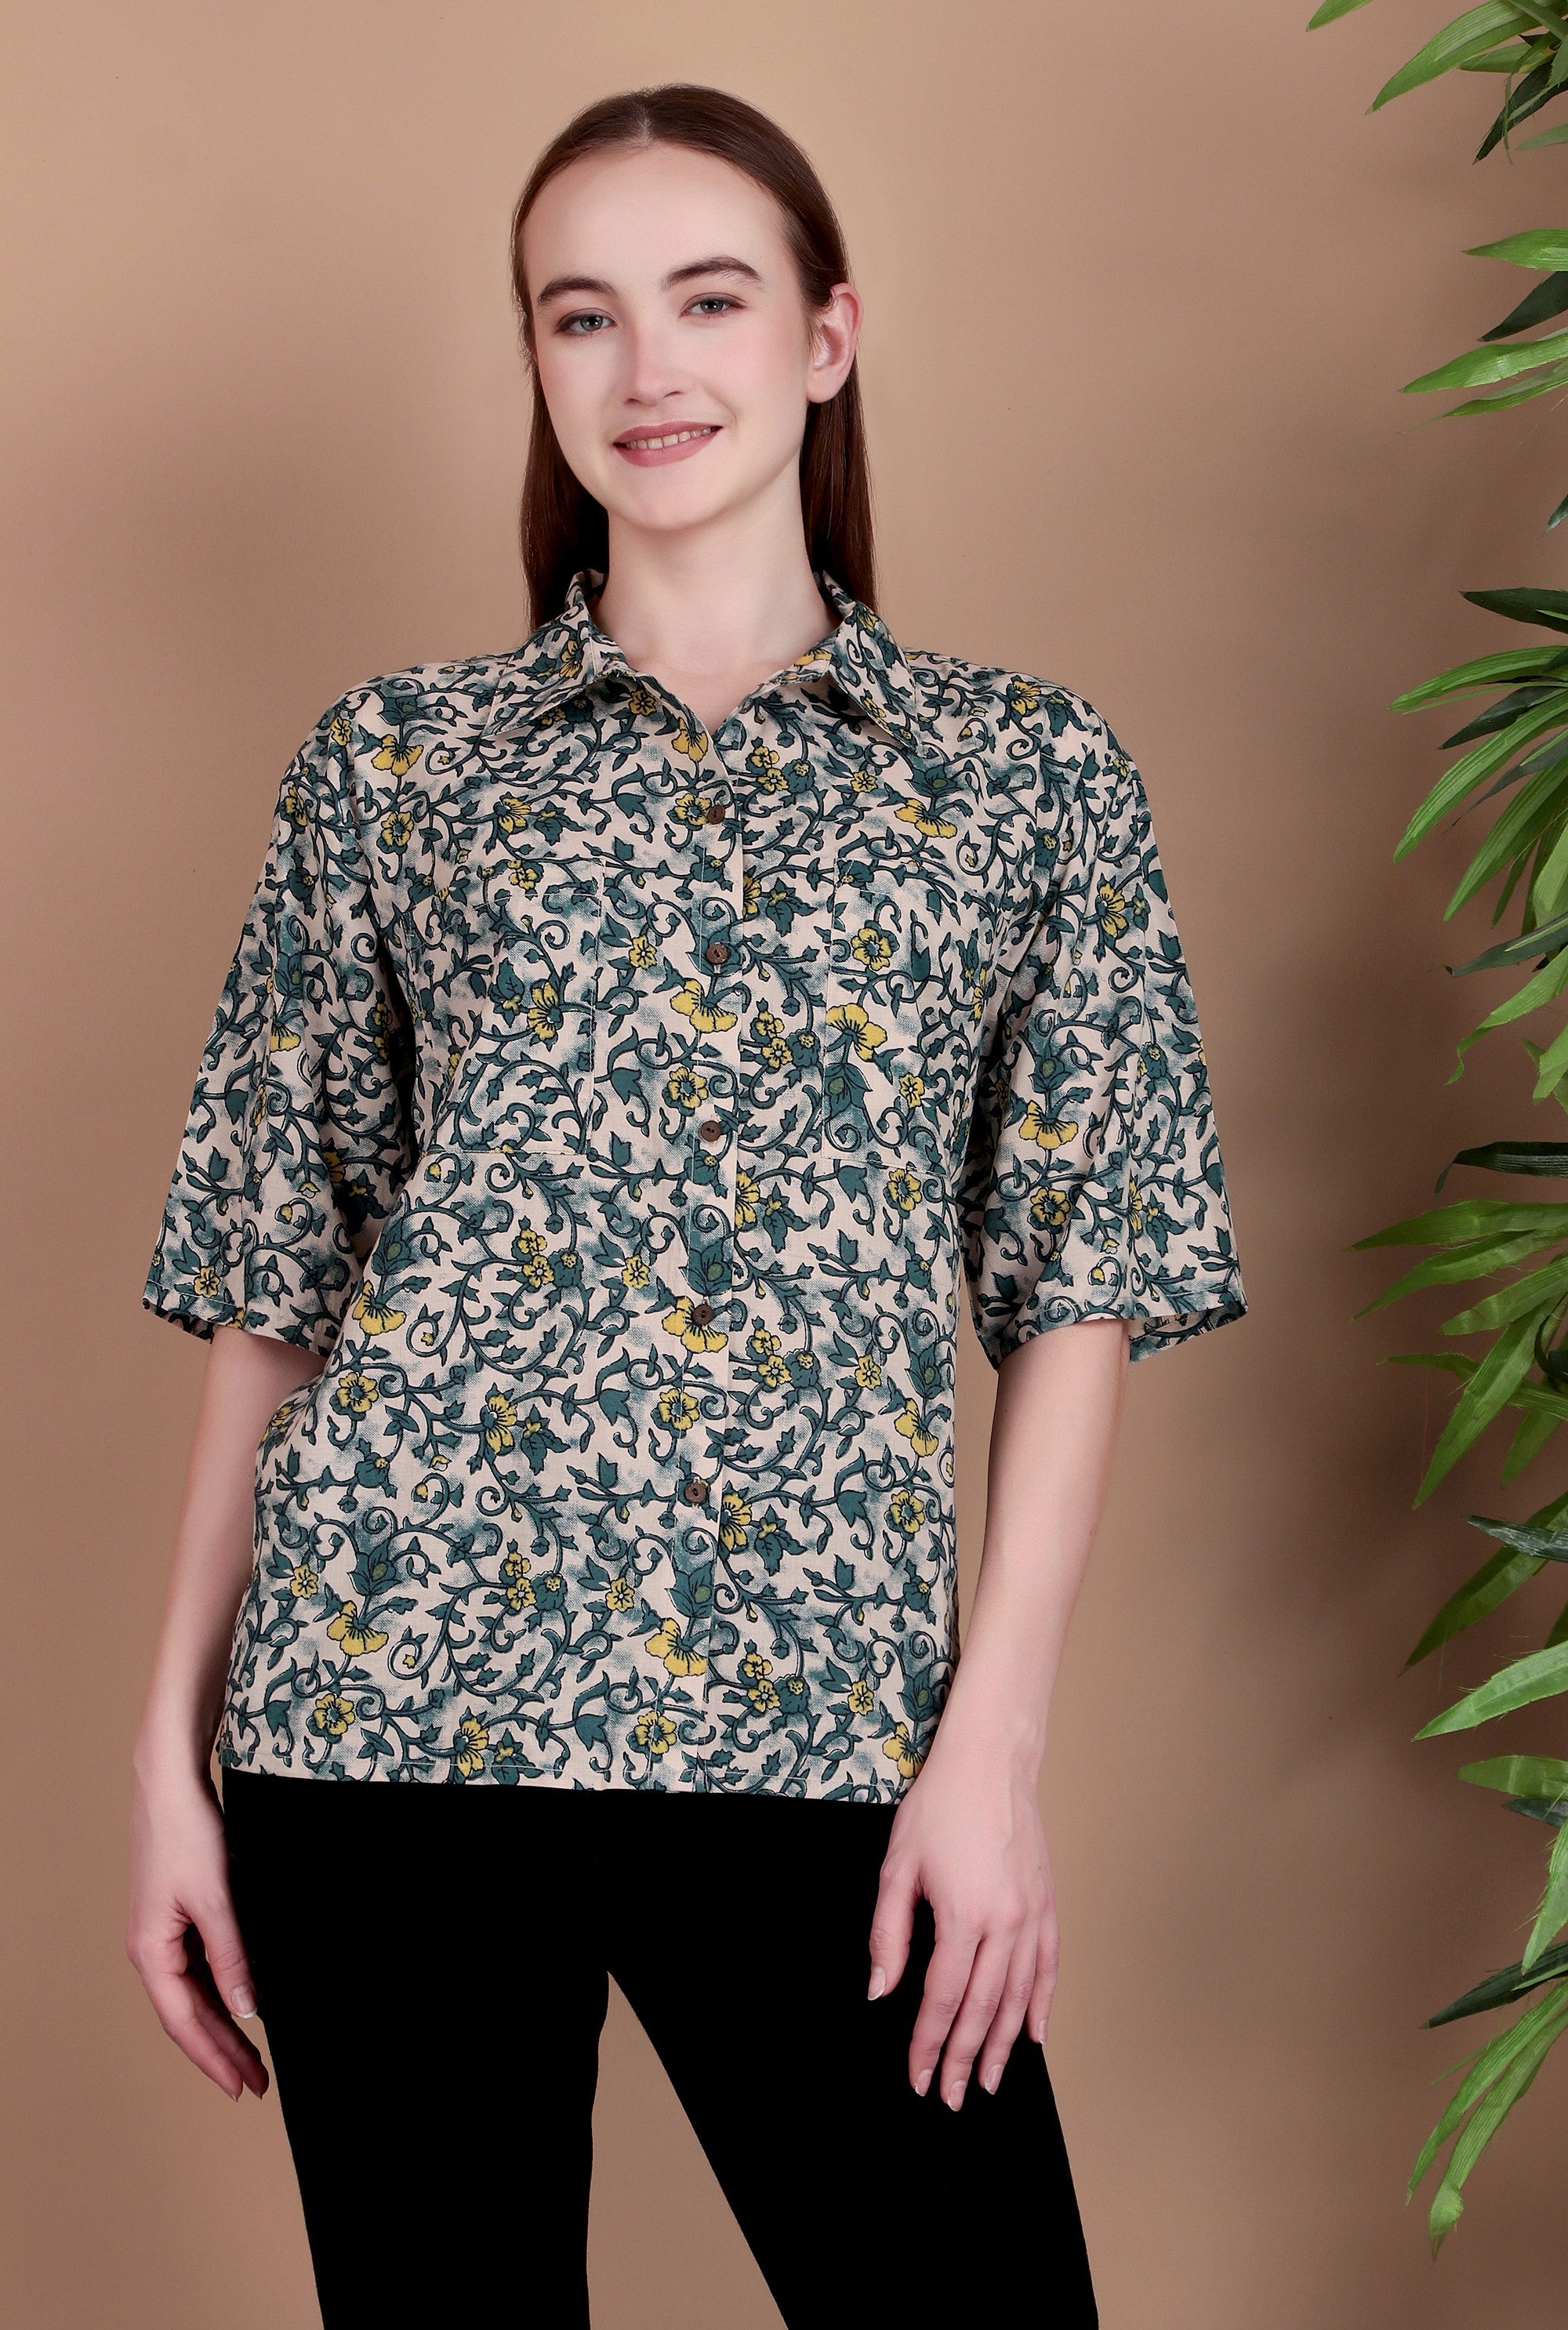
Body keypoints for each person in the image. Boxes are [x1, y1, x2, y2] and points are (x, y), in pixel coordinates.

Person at [126, 82, 1245, 2330]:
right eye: (583, 315)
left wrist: (994, 1751)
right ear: (538, 362)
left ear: (828, 336)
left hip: (826, 1723)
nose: (647, 368)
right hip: (388, 1714)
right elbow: (278, 1276)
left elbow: (1085, 1283)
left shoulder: (1023, 775)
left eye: (708, 301)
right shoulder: (394, 766)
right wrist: (174, 1743)